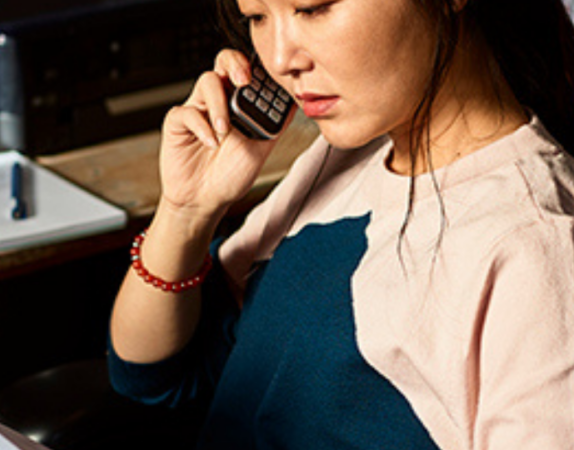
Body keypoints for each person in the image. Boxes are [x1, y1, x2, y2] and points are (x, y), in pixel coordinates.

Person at [106, 0, 574, 448]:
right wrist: (186, 212)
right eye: (256, 17)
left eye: (312, 8)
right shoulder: (350, 153)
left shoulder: (535, 246)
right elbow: (151, 372)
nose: (280, 59)